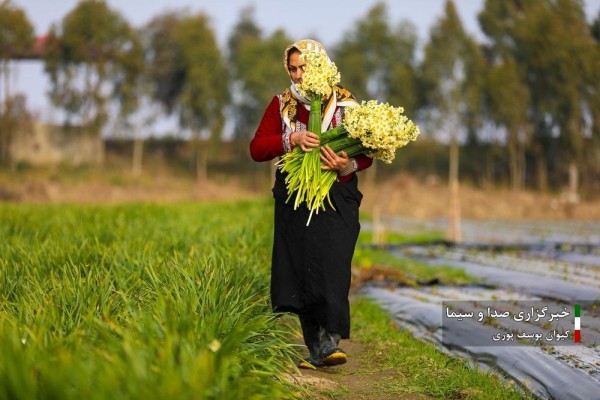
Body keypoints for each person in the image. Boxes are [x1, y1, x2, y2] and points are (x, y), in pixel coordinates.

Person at [249, 39, 373, 369]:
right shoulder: (281, 104)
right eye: (293, 68)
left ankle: (330, 341)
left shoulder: (347, 105)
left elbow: (367, 155)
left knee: (332, 264)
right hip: (294, 197)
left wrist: (345, 166)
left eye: (306, 67)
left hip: (337, 196)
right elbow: (257, 149)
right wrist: (291, 139)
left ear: (322, 65)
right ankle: (317, 347)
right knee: (300, 269)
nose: (299, 74)